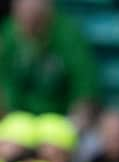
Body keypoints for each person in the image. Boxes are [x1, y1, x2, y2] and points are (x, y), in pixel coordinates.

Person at [0, 0, 99, 129]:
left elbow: (85, 86)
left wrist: (76, 122)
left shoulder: (68, 34)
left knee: (52, 147)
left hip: (60, 119)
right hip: (18, 120)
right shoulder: (8, 33)